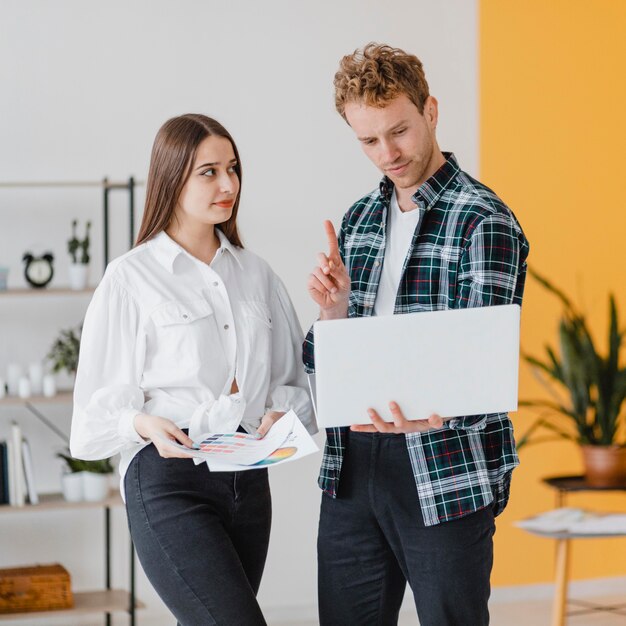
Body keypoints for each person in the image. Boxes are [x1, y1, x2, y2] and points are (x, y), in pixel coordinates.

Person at [304, 44, 529, 626]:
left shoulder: (485, 221)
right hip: (351, 467)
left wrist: (435, 410)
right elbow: (321, 361)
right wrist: (333, 312)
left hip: (442, 466)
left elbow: (488, 373)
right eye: (368, 140)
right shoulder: (356, 221)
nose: (388, 153)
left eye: (398, 131)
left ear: (431, 111)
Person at [70, 113, 316, 626]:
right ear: (172, 177)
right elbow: (88, 428)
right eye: (209, 172)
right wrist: (138, 422)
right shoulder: (130, 278)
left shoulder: (256, 274)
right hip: (168, 480)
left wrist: (277, 415)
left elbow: (294, 384)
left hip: (247, 483)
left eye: (233, 169)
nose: (228, 185)